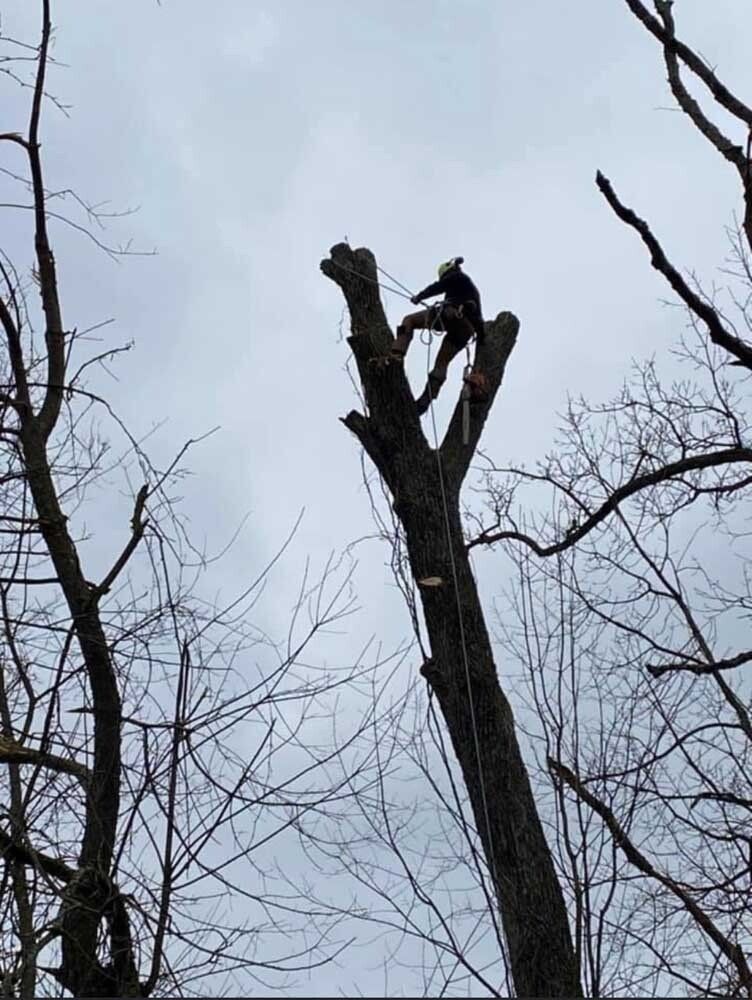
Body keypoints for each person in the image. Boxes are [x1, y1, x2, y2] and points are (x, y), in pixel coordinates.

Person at [391, 257, 488, 415]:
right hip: (466, 330)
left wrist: (419, 297)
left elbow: (437, 287)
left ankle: (395, 355)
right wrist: (481, 340)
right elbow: (480, 325)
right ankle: (425, 401)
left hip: (450, 314)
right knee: (442, 363)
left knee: (409, 320)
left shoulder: (456, 277)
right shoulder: (472, 291)